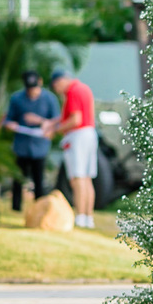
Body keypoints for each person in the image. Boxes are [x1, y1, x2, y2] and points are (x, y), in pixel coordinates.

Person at [48, 69, 98, 229]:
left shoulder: (72, 91)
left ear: (59, 81)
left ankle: (80, 217)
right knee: (87, 178)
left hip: (78, 136)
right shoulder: (84, 88)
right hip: (89, 133)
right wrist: (53, 123)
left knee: (77, 178)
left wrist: (56, 130)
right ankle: (88, 217)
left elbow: (76, 119)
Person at [3, 71, 59, 212]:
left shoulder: (50, 99)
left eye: (34, 87)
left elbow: (57, 122)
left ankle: (39, 208)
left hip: (40, 146)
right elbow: (8, 119)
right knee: (18, 179)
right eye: (29, 88)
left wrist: (39, 121)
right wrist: (10, 125)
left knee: (39, 180)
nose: (32, 91)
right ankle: (16, 208)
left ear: (40, 82)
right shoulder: (16, 98)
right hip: (21, 146)